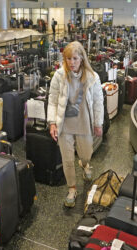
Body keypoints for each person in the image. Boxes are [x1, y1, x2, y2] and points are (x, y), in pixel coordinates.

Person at [47, 41, 104, 208]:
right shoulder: (59, 76)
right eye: (68, 59)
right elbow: (52, 100)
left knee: (86, 154)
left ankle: (85, 164)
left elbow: (98, 102)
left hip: (84, 122)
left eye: (75, 58)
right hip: (65, 124)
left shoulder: (93, 77)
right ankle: (72, 188)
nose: (71, 62)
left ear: (82, 59)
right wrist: (52, 123)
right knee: (68, 159)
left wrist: (98, 123)